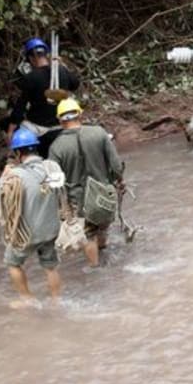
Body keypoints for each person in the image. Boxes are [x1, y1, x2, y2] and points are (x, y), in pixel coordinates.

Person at [48, 97, 124, 267]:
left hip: (80, 201)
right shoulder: (99, 133)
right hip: (104, 194)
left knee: (89, 235)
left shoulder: (56, 147)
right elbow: (117, 166)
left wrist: (62, 208)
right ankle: (104, 252)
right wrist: (120, 182)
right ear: (80, 114)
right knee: (103, 227)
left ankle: (95, 272)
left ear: (60, 120)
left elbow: (55, 183)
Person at [0, 128, 64, 308]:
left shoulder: (14, 177)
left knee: (13, 263)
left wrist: (2, 179)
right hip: (51, 229)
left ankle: (27, 299)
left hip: (27, 233)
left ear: (18, 152)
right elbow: (61, 192)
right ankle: (56, 301)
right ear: (35, 148)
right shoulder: (51, 168)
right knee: (50, 266)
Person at [2, 37, 80, 158]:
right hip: (61, 121)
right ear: (46, 54)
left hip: (39, 126)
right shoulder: (62, 70)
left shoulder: (30, 78)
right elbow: (75, 84)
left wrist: (11, 131)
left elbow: (20, 107)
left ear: (31, 58)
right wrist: (62, 65)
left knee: (8, 125)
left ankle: (18, 157)